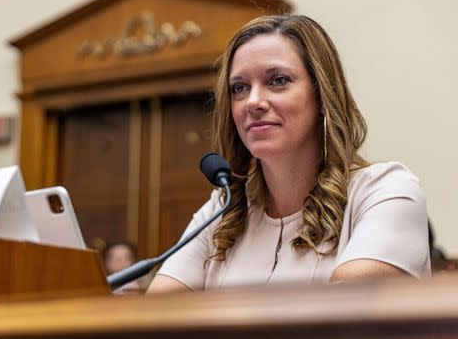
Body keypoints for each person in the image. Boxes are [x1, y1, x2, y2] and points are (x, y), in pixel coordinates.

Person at [148, 15, 430, 293]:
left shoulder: (385, 191)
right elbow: (154, 317)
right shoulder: (223, 209)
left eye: (278, 80)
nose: (253, 102)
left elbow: (345, 321)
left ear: (322, 96)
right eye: (240, 88)